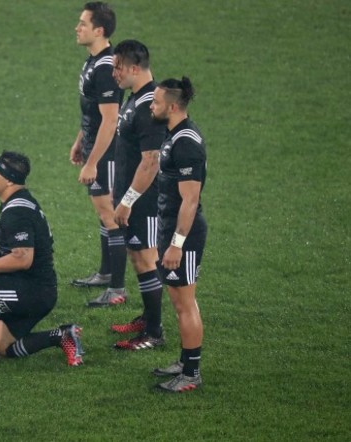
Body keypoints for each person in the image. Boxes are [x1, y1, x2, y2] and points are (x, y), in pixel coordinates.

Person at [0, 151, 84, 367]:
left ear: (9, 178)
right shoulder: (20, 202)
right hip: (36, 288)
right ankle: (61, 336)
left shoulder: (16, 211)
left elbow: (22, 259)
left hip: (31, 292)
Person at [105, 40, 168, 351]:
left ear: (133, 68)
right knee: (137, 256)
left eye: (117, 67)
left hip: (145, 200)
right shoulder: (136, 97)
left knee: (146, 259)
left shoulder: (149, 106)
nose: (113, 73)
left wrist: (128, 200)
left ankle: (154, 333)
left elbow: (151, 161)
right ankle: (147, 317)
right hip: (131, 196)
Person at [149, 77, 208, 392]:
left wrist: (177, 244)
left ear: (172, 106)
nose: (151, 105)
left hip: (182, 234)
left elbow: (190, 200)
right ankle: (185, 362)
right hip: (170, 228)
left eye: (156, 102)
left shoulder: (185, 143)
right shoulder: (174, 134)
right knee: (178, 301)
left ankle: (191, 374)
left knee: (185, 303)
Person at [69, 2, 126, 308]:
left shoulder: (106, 68)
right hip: (95, 147)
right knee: (102, 213)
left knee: (111, 215)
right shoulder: (94, 61)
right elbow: (91, 110)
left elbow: (111, 119)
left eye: (82, 23)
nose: (77, 28)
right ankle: (106, 274)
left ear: (99, 30)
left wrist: (93, 161)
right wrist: (81, 141)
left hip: (109, 153)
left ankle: (117, 289)